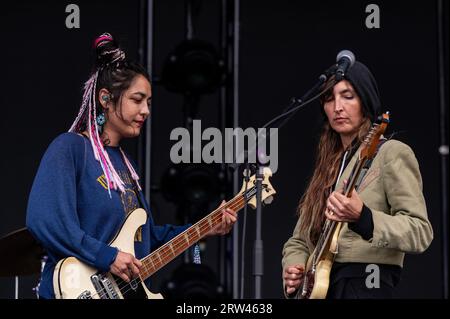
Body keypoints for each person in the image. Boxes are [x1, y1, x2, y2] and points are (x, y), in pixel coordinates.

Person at [26, 33, 237, 299]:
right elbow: (45, 220)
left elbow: (146, 239)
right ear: (106, 99)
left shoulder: (125, 165)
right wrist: (107, 257)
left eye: (148, 102)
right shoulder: (70, 148)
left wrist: (206, 226)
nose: (146, 110)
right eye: (137, 100)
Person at [281, 61, 433, 299]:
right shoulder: (328, 169)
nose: (337, 107)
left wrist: (364, 217)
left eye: (348, 96)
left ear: (365, 101)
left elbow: (420, 232)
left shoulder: (391, 153)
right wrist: (295, 267)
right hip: (322, 287)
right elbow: (298, 240)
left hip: (364, 283)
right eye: (329, 99)